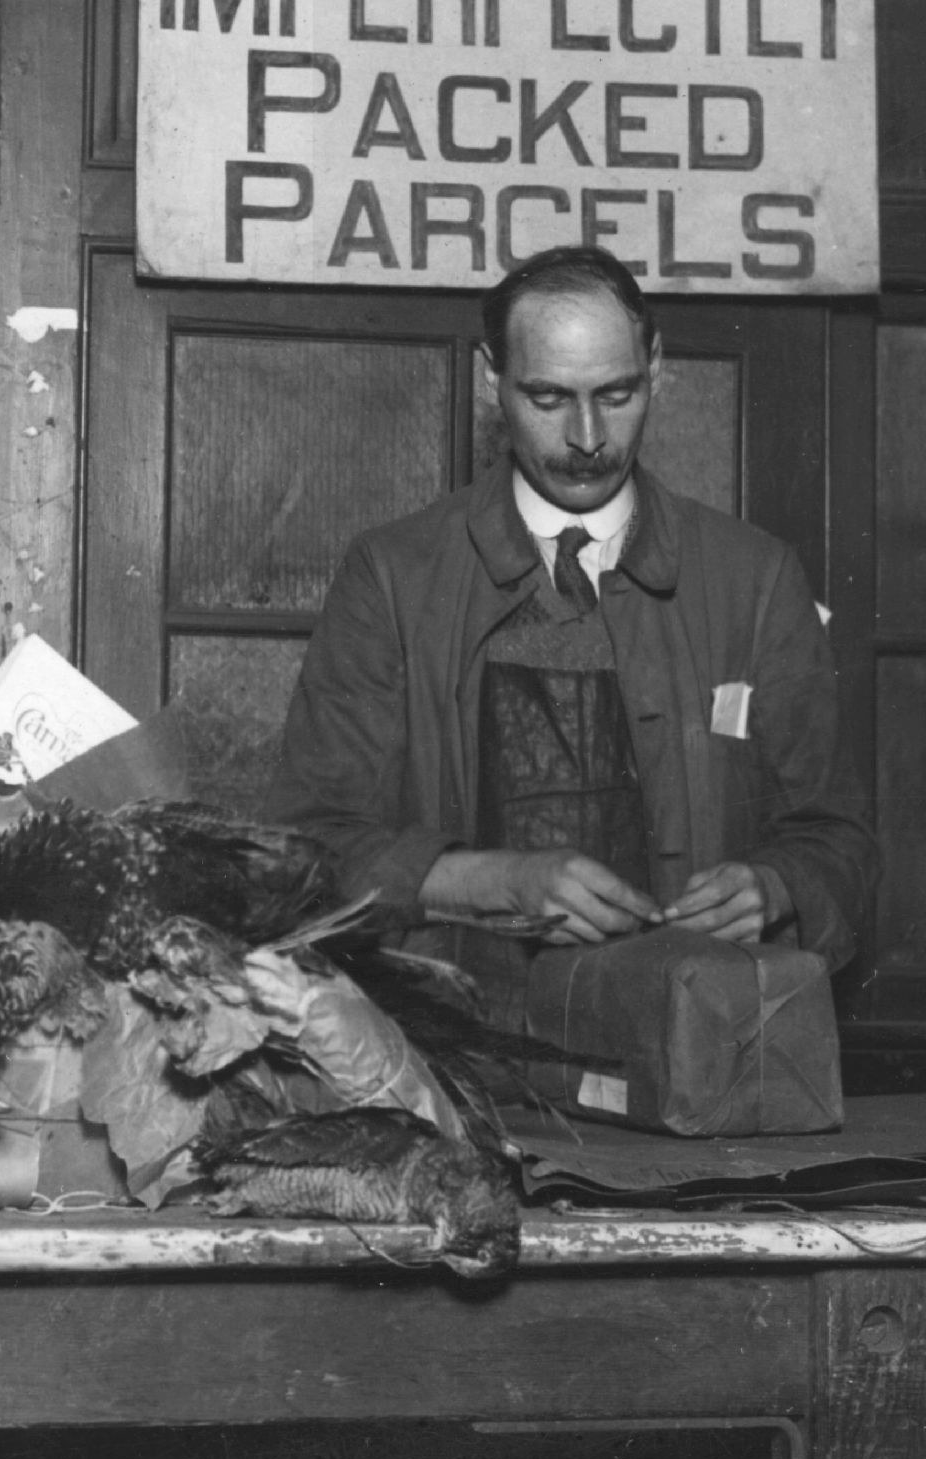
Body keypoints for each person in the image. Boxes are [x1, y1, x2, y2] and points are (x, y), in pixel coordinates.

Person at [263, 247, 876, 988]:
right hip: (457, 1051)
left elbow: (837, 840)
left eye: (616, 395)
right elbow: (305, 849)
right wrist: (484, 882)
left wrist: (774, 887)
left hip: (687, 1048)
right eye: (548, 399)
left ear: (656, 366)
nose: (587, 439)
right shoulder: (392, 576)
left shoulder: (754, 576)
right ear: (491, 379)